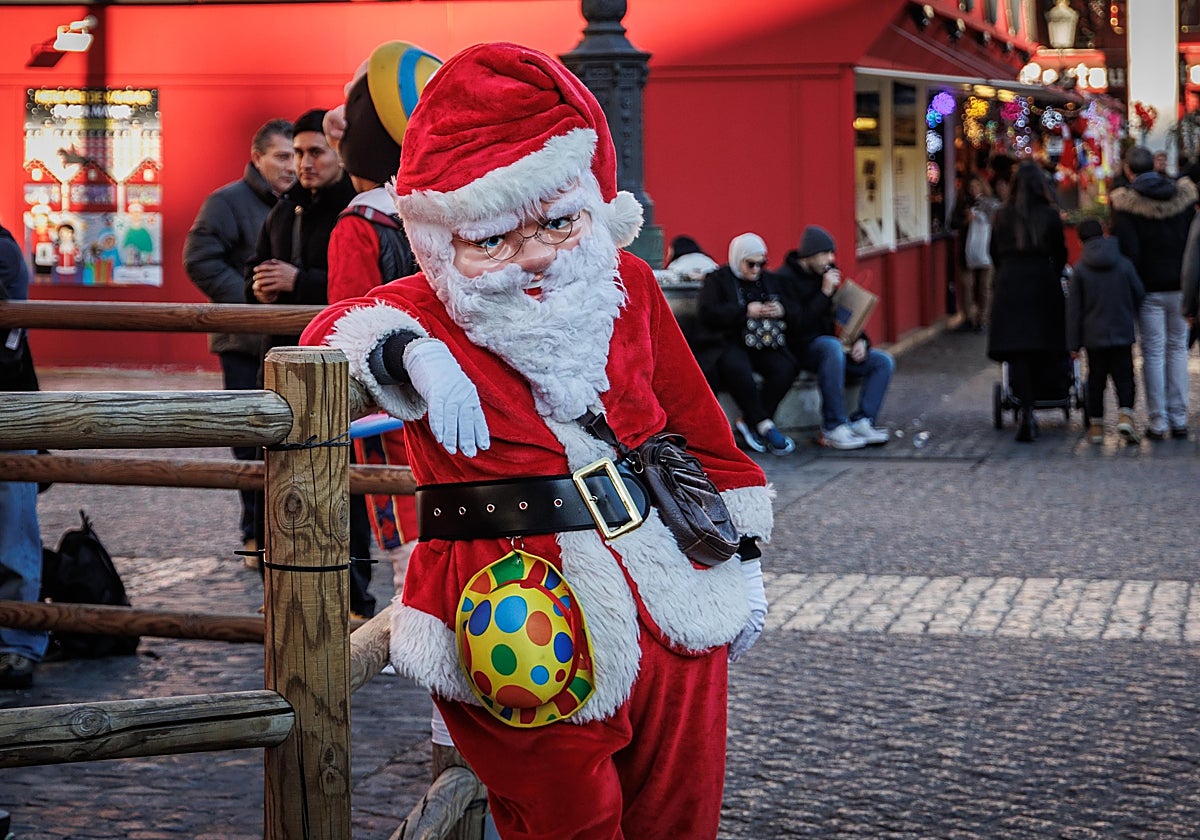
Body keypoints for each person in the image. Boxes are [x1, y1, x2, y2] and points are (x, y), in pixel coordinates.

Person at [301, 42, 771, 839]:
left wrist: (745, 559)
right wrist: (404, 352)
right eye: (494, 238)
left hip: (673, 588)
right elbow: (327, 339)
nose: (538, 254)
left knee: (681, 819)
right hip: (517, 608)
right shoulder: (425, 304)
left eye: (559, 221)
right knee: (563, 821)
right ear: (442, 235)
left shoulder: (628, 283)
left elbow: (700, 429)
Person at [326, 42, 438, 598]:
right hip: (441, 376)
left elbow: (345, 314)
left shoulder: (359, 224)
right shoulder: (432, 215)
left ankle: (408, 613)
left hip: (385, 385)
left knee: (393, 508)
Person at [245, 108, 365, 610]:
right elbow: (257, 268)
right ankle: (286, 590)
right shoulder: (284, 208)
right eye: (296, 153)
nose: (303, 163)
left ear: (337, 151)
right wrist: (261, 285)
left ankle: (353, 594)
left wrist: (299, 283)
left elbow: (360, 289)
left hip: (335, 366)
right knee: (279, 476)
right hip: (280, 360)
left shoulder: (355, 210)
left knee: (342, 483)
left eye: (314, 151)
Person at [183, 117, 295, 556]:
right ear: (257, 158)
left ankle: (281, 532)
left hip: (290, 344)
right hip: (244, 344)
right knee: (249, 437)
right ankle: (254, 532)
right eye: (281, 156)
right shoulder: (226, 202)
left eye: (297, 156)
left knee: (290, 436)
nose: (291, 166)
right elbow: (199, 259)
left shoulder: (301, 204)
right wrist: (250, 303)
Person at [776, 225, 893, 450]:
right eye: (825, 254)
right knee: (831, 347)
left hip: (836, 350)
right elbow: (797, 324)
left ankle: (862, 420)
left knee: (882, 361)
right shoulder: (784, 280)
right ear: (810, 254)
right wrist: (824, 293)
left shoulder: (826, 274)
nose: (830, 259)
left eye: (832, 253)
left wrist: (861, 340)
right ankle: (833, 426)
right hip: (803, 349)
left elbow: (841, 315)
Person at [1110, 144, 1196, 440]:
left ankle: (1158, 422)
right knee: (1178, 351)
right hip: (1181, 288)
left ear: (1128, 170)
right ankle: (1179, 418)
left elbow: (1128, 252)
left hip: (1148, 290)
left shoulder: (1126, 205)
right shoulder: (1183, 199)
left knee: (1153, 353)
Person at [987, 161, 1070, 443]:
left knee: (1018, 349)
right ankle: (1042, 395)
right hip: (1041, 282)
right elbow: (1060, 251)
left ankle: (1026, 410)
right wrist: (1053, 274)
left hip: (1011, 283)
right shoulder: (1049, 215)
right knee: (1041, 344)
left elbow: (994, 251)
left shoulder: (1001, 215)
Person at [693, 232, 797, 455]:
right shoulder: (718, 279)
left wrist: (780, 309)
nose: (756, 269)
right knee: (736, 367)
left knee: (785, 367)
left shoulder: (767, 280)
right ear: (738, 259)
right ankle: (763, 424)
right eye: (751, 264)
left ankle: (752, 421)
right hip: (726, 340)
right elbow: (707, 313)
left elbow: (793, 306)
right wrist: (745, 311)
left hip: (762, 342)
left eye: (762, 263)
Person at [0, 219, 47, 689]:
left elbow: (8, 338)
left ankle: (17, 644)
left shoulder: (3, 249)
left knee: (13, 526)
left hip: (8, 403)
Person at [1067, 218, 1145, 445]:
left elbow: (1074, 311)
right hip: (1121, 331)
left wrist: (1073, 345)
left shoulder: (1080, 270)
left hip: (1093, 336)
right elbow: (1139, 292)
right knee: (1125, 377)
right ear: (1104, 234)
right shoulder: (1124, 263)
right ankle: (1126, 415)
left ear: (1080, 241)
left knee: (1096, 380)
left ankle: (1097, 426)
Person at [949, 172, 999, 333]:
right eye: (970, 187)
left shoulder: (991, 204)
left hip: (987, 249)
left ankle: (982, 319)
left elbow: (998, 224)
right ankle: (968, 317)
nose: (974, 189)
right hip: (967, 250)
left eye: (976, 185)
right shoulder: (962, 203)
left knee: (985, 286)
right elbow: (952, 223)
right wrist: (966, 221)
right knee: (967, 286)